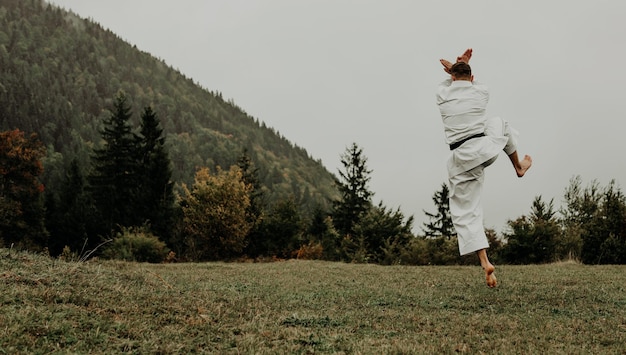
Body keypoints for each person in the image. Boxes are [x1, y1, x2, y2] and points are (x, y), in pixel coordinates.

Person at [436, 48, 532, 288]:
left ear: (451, 77)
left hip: (461, 158)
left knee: (466, 212)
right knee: (501, 123)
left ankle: (485, 261)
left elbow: (451, 86)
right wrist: (462, 65)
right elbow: (470, 83)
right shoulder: (481, 93)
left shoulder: (443, 96)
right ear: (470, 77)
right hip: (486, 148)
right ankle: (518, 166)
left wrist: (454, 70)